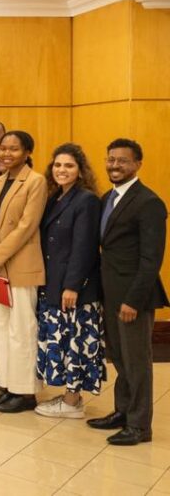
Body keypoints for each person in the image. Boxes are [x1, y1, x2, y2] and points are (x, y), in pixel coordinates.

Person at [88, 139, 168, 445]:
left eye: (122, 160)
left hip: (133, 298)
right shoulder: (107, 198)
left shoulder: (149, 203)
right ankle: (122, 412)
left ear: (137, 164)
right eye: (111, 159)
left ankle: (140, 426)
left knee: (137, 363)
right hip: (110, 292)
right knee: (120, 358)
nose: (115, 165)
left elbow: (151, 259)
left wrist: (133, 300)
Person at [34, 143, 105, 419]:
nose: (61, 170)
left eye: (69, 165)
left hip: (74, 289)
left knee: (75, 344)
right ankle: (68, 396)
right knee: (60, 343)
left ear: (80, 171)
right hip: (53, 283)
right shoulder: (55, 197)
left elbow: (84, 248)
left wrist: (72, 286)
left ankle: (73, 401)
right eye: (58, 165)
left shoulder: (86, 200)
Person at [0, 130, 46, 413]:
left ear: (27, 152)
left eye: (14, 149)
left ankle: (25, 392)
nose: (6, 154)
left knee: (21, 330)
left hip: (20, 266)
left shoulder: (35, 181)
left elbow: (26, 226)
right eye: (3, 149)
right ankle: (7, 386)